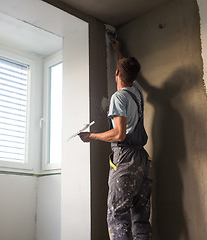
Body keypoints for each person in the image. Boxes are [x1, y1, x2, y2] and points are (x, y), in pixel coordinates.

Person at [79, 40, 153, 240]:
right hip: (143, 161)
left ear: (117, 74)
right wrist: (119, 50)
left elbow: (119, 134)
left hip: (126, 160)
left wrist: (91, 136)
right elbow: (126, 70)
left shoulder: (118, 97)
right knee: (141, 219)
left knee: (118, 217)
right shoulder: (136, 91)